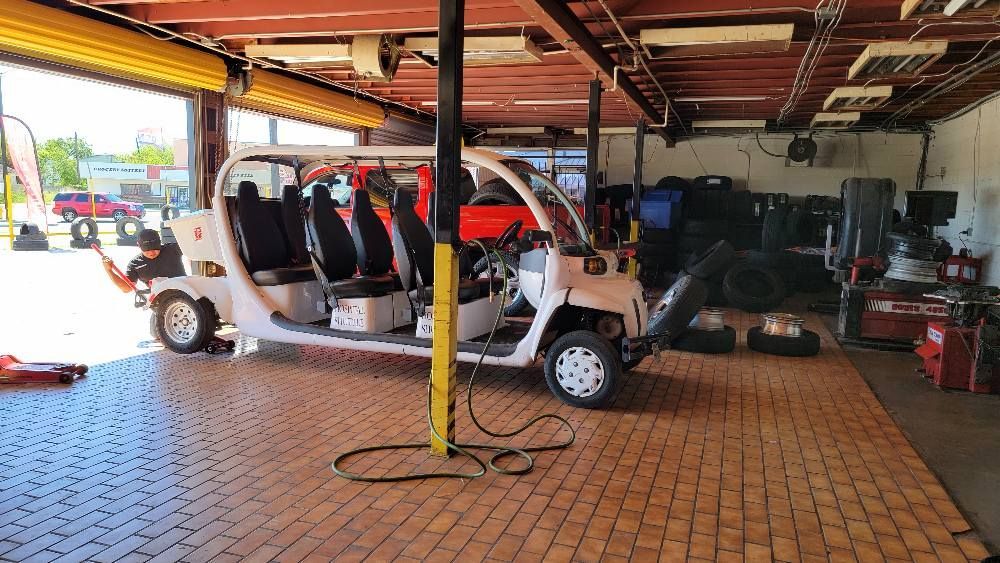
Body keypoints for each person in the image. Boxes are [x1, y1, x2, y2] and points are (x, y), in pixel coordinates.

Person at [102, 228, 185, 292]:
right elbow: (127, 288)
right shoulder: (135, 264)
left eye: (155, 248)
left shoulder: (173, 249)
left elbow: (194, 246)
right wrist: (109, 271)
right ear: (139, 245)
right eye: (147, 249)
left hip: (185, 291)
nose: (152, 252)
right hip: (162, 301)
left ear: (160, 243)